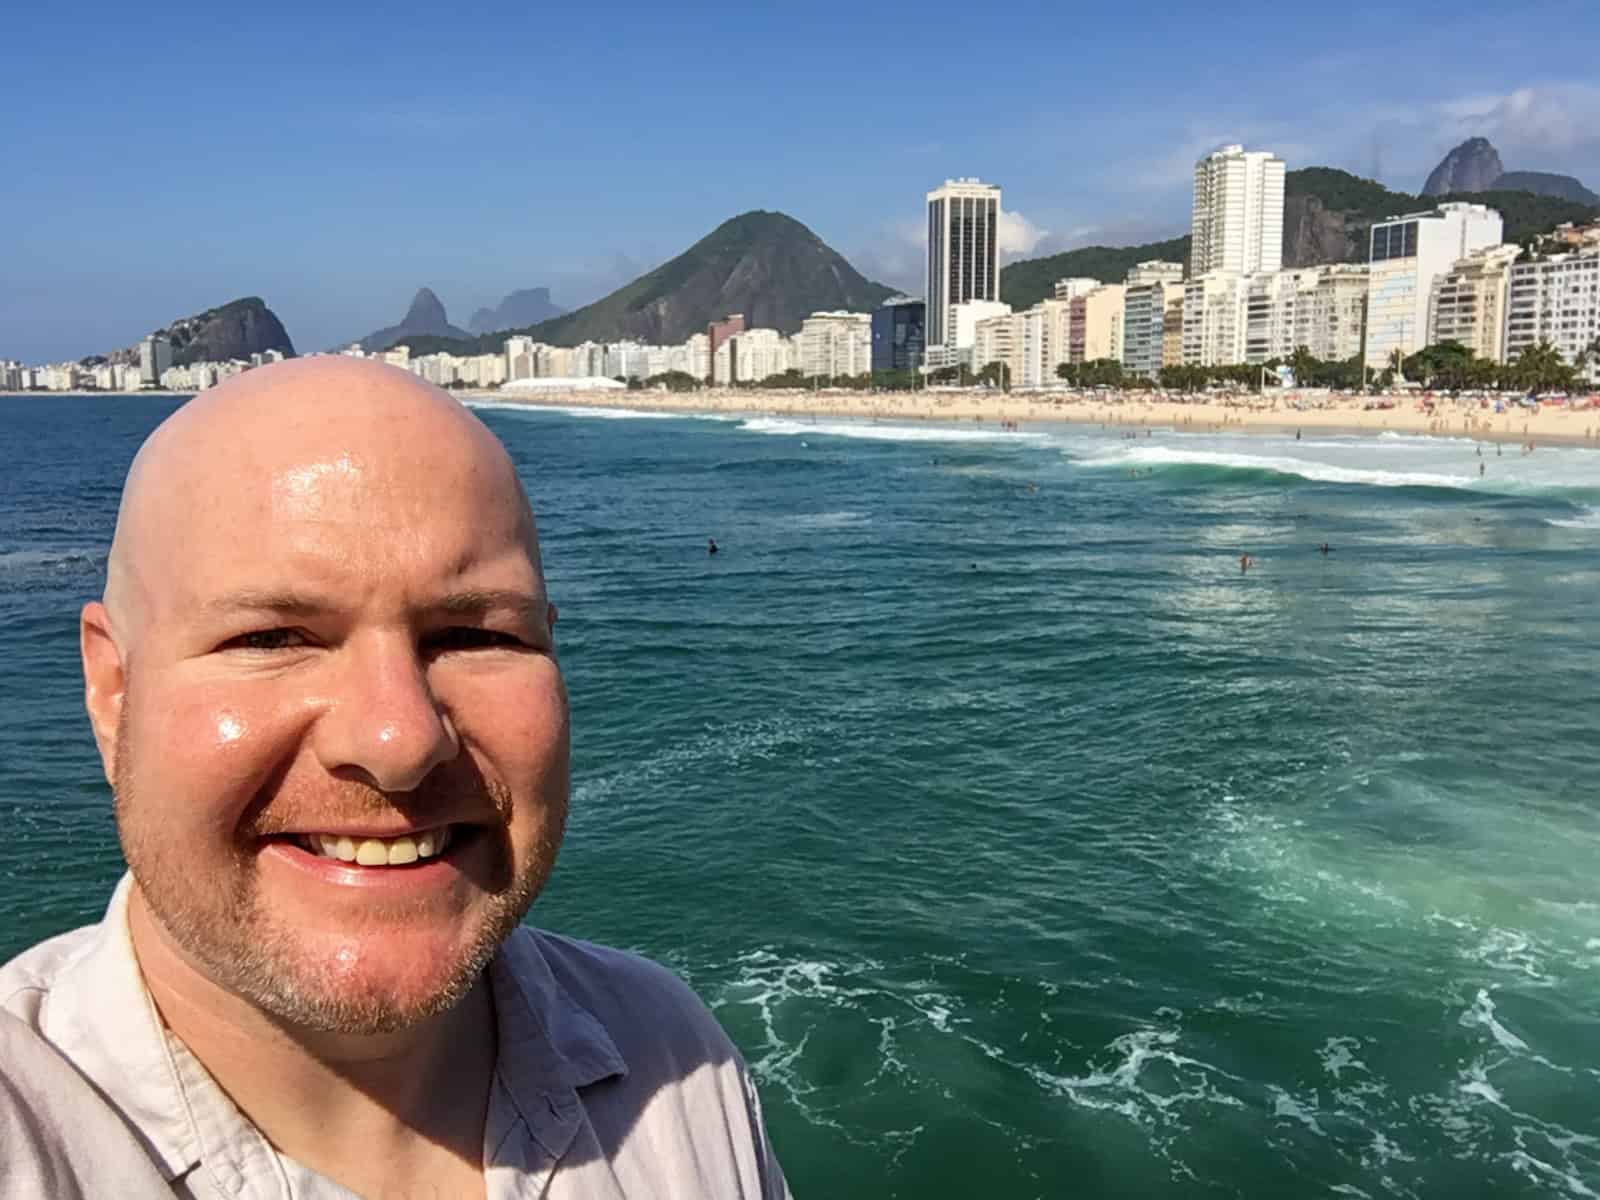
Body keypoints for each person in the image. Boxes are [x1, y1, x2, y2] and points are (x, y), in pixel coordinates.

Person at [0, 359, 789, 1199]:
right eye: (273, 637)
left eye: (476, 636)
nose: (400, 739)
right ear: (114, 689)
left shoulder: (672, 1063)